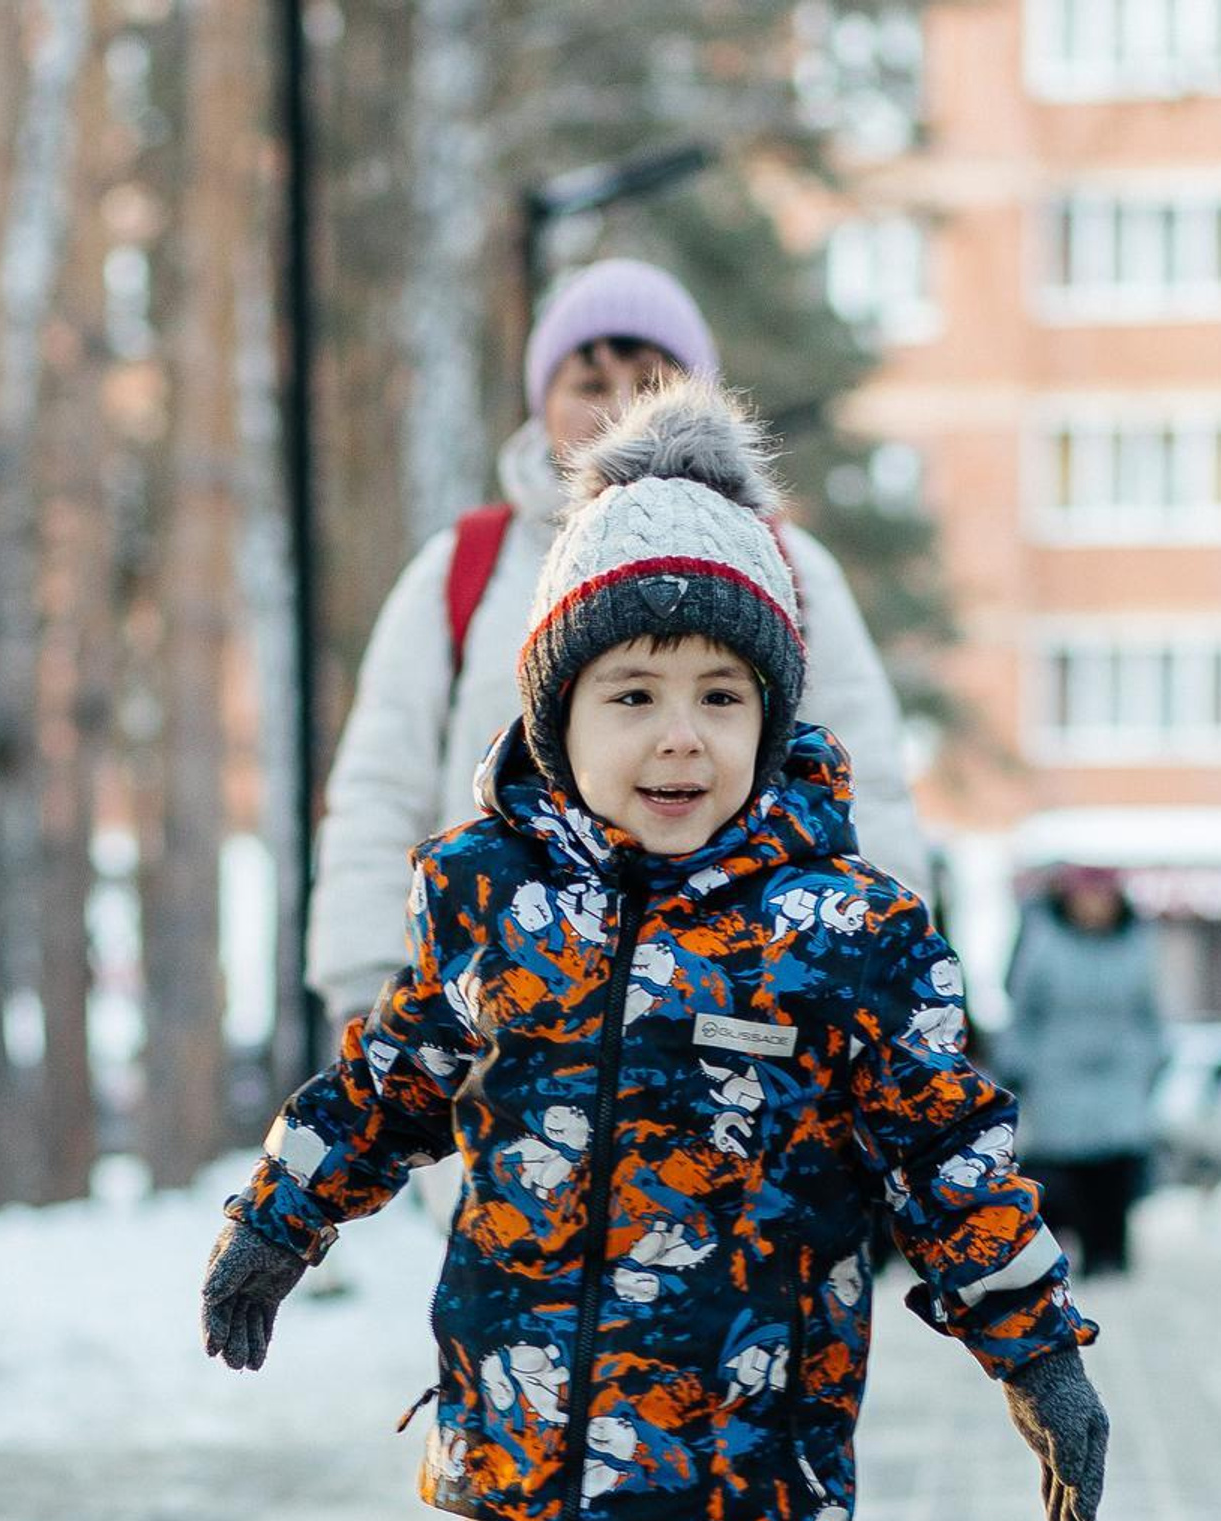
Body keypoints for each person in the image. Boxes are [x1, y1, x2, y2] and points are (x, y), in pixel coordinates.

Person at [199, 383, 1109, 1521]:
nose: (677, 738)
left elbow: (952, 1156)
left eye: (718, 697)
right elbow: (384, 1082)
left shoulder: (852, 933)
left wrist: (1041, 1358)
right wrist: (280, 1225)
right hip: (533, 1437)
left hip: (758, 1443)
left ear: (776, 716)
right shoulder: (496, 914)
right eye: (632, 696)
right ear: (558, 716)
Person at [306, 257, 928, 1030]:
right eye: (590, 384)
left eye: (651, 381)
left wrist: (879, 981)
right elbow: (381, 785)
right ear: (543, 404)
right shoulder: (463, 569)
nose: (620, 409)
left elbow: (863, 779)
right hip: (499, 1017)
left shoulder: (785, 571)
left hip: (736, 1021)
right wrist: (367, 984)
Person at [997, 868, 1167, 1280]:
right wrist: (1018, 1065)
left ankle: (1110, 1259)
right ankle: (1053, 1264)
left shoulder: (1137, 945)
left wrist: (1150, 1060)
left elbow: (1152, 1013)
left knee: (1113, 1176)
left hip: (1118, 1078)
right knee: (1061, 1179)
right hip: (1056, 1077)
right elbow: (1023, 1009)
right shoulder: (1043, 941)